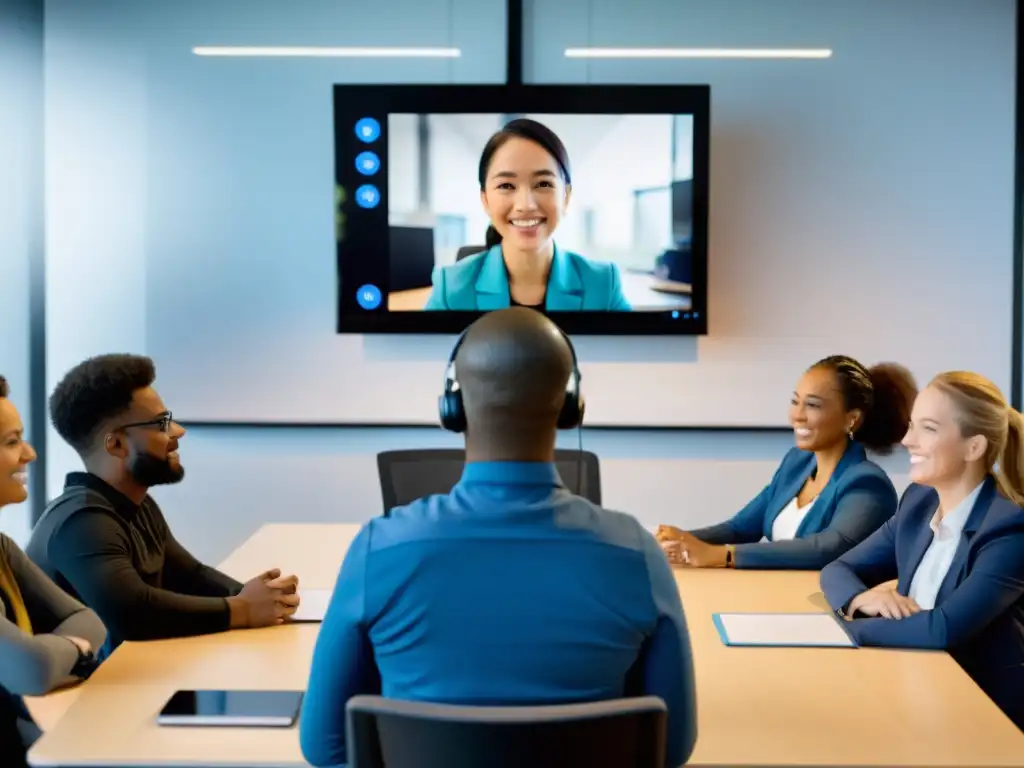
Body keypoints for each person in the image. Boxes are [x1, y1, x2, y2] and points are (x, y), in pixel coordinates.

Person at [300, 308, 696, 768]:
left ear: (452, 405)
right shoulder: (637, 555)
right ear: (571, 406)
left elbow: (323, 748)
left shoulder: (378, 550)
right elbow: (672, 747)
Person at [25, 354, 299, 658]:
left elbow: (191, 575)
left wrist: (263, 598)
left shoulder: (135, 505)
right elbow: (133, 613)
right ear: (115, 444)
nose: (178, 431)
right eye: (161, 424)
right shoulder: (82, 522)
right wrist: (243, 609)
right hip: (76, 699)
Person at [821, 372, 1024, 731]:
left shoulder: (1009, 529)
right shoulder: (919, 503)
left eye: (927, 428)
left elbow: (942, 629)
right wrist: (857, 602)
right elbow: (838, 569)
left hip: (984, 713)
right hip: (913, 686)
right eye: (911, 425)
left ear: (973, 447)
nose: (907, 440)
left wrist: (842, 630)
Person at [657, 356, 917, 570]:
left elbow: (828, 548)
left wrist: (723, 555)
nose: (796, 415)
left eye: (812, 405)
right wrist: (682, 539)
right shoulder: (797, 463)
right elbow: (740, 528)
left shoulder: (868, 483)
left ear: (852, 419)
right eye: (795, 401)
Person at [0, 376, 107, 768]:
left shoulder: (1, 548)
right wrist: (76, 649)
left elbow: (89, 620)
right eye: (12, 442)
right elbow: (32, 669)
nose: (29, 454)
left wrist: (52, 653)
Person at [422, 118, 632, 312]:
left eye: (543, 184)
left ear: (566, 197)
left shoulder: (603, 284)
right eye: (506, 185)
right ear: (485, 200)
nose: (526, 205)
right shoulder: (450, 287)